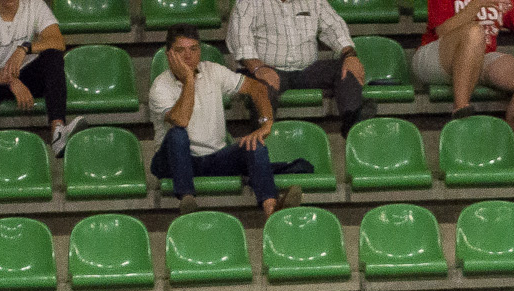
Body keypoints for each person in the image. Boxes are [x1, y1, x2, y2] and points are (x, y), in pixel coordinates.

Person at [148, 26, 304, 215]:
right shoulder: (160, 86)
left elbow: (257, 88)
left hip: (214, 157)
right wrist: (189, 80)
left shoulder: (213, 71)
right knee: (177, 134)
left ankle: (271, 207)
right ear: (169, 55)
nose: (188, 56)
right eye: (181, 50)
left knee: (254, 144)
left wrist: (266, 123)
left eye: (194, 49)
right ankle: (187, 201)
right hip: (172, 162)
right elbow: (181, 120)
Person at [227, 0, 375, 136]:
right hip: (267, 69)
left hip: (307, 69)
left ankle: (354, 127)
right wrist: (258, 67)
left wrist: (349, 54)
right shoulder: (247, 2)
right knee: (261, 87)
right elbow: (240, 39)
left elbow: (334, 27)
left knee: (347, 68)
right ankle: (261, 139)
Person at [0, 0, 80, 151]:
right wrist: (10, 80)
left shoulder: (34, 5)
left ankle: (58, 131)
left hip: (26, 73)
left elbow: (57, 41)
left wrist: (24, 48)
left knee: (53, 55)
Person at [413, 0, 514, 130]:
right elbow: (442, 31)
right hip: (436, 56)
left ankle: (509, 141)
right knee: (475, 32)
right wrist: (475, 5)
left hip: (480, 56)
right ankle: (461, 114)